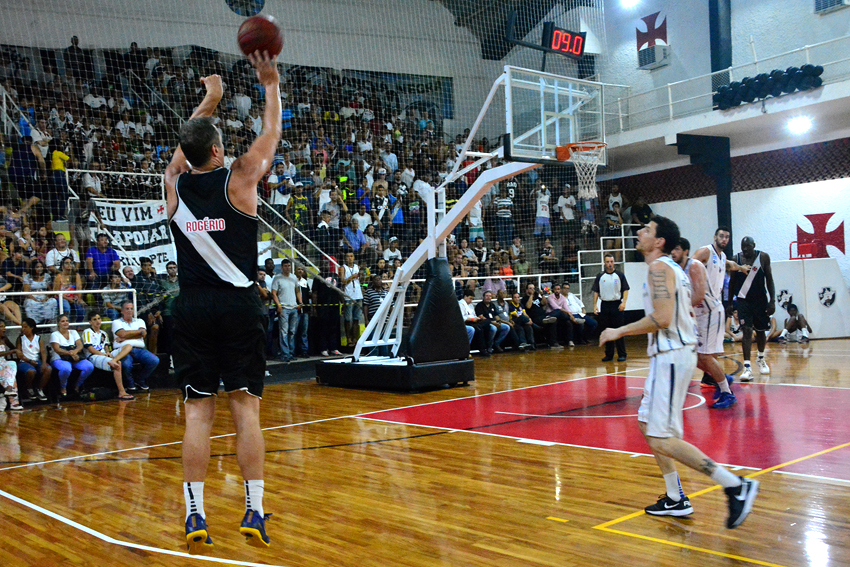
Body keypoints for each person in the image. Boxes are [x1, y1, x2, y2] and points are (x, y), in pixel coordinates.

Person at [164, 54, 280, 553]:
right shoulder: (239, 180)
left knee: (197, 415)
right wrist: (270, 83)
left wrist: (208, 101)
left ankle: (195, 515)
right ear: (217, 149)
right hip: (237, 306)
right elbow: (271, 133)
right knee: (246, 412)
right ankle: (253, 507)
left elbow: (179, 156)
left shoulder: (172, 187)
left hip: (190, 308)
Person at [600, 216, 759, 529]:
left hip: (672, 356)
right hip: (673, 355)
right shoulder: (673, 269)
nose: (639, 232)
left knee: (662, 438)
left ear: (659, 241)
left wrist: (618, 331)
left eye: (646, 230)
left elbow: (661, 317)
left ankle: (735, 485)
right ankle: (675, 497)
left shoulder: (659, 268)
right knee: (647, 423)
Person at [687, 229, 749, 406]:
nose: (724, 239)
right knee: (703, 354)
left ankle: (723, 388)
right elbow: (690, 265)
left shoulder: (721, 257)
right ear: (714, 237)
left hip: (709, 308)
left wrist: (741, 267)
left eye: (727, 237)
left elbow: (730, 264)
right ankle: (712, 377)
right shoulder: (706, 251)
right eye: (721, 236)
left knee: (703, 355)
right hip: (703, 307)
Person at [731, 237, 775, 382]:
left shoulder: (762, 257)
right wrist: (729, 302)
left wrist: (772, 301)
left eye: (748, 246)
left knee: (761, 331)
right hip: (743, 300)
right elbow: (732, 282)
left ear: (754, 246)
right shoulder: (736, 259)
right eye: (743, 246)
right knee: (747, 331)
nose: (745, 249)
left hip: (760, 300)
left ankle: (761, 358)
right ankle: (747, 367)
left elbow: (769, 279)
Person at [82, 311, 134, 400]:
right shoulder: (87, 332)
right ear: (90, 322)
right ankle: (121, 392)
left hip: (104, 354)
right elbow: (90, 348)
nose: (97, 321)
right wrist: (103, 354)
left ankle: (114, 359)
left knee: (128, 346)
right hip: (94, 356)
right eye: (94, 320)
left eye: (99, 319)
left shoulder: (104, 333)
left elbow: (106, 346)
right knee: (117, 365)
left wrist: (108, 352)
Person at [111, 301, 160, 393]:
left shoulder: (140, 321)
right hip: (124, 350)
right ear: (122, 311)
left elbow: (143, 334)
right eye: (127, 309)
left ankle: (140, 380)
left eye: (131, 309)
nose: (130, 311)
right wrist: (137, 333)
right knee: (126, 365)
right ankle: (130, 384)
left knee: (154, 360)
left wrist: (125, 336)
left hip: (139, 349)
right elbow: (122, 333)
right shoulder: (116, 322)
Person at [592, 254, 629, 362]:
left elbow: (625, 289)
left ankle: (622, 354)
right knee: (606, 331)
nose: (610, 264)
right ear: (604, 263)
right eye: (608, 262)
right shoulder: (600, 276)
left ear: (614, 262)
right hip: (605, 305)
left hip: (616, 304)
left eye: (611, 262)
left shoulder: (620, 275)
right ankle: (609, 354)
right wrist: (595, 305)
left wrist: (624, 302)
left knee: (618, 330)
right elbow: (596, 291)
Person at [49, 314, 95, 398]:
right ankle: (63, 387)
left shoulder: (73, 332)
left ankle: (77, 385)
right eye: (62, 321)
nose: (65, 323)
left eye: (67, 321)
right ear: (58, 323)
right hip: (60, 358)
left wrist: (75, 352)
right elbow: (57, 349)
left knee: (89, 366)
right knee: (66, 369)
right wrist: (70, 353)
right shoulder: (54, 334)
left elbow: (80, 345)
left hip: (74, 356)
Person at [270, 259, 301, 363]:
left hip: (293, 307)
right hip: (283, 307)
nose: (288, 267)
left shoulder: (293, 277)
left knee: (292, 331)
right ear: (282, 267)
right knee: (284, 331)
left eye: (289, 266)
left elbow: (297, 291)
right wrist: (278, 305)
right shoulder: (277, 278)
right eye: (286, 266)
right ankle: (285, 353)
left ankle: (291, 353)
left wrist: (300, 302)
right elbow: (273, 293)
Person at [16, 318, 51, 402]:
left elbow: (43, 352)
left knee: (48, 369)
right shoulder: (20, 339)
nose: (23, 329)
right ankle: (29, 388)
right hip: (24, 361)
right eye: (22, 327)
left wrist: (43, 363)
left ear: (31, 328)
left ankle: (40, 389)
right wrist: (29, 361)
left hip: (36, 360)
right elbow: (19, 354)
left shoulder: (38, 338)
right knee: (31, 371)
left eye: (25, 327)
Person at [340, 252, 364, 349]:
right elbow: (343, 281)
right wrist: (352, 277)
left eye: (351, 256)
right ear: (345, 258)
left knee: (356, 319)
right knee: (348, 319)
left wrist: (362, 276)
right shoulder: (343, 268)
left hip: (358, 295)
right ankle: (348, 338)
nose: (350, 258)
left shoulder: (357, 267)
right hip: (348, 295)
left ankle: (355, 338)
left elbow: (362, 282)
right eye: (348, 256)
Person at [23, 259, 58, 325]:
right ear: (33, 268)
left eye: (41, 267)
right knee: (30, 303)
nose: (40, 269)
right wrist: (35, 300)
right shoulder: (27, 277)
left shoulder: (47, 276)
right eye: (37, 267)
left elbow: (50, 290)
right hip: (32, 297)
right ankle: (34, 324)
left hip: (44, 297)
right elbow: (26, 291)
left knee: (53, 301)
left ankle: (48, 323)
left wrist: (46, 298)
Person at [459, 289, 490, 356]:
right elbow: (462, 317)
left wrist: (478, 318)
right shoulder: (460, 304)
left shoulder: (470, 305)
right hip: (467, 322)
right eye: (470, 298)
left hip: (474, 321)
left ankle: (486, 347)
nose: (471, 300)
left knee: (487, 323)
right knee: (479, 329)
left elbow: (474, 314)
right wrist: (472, 319)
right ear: (465, 297)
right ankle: (482, 349)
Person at [0, 321, 23, 411]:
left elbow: (14, 348)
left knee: (11, 366)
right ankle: (13, 402)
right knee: (10, 374)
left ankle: (9, 389)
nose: (4, 329)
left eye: (4, 326)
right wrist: (13, 352)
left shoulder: (4, 339)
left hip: (3, 364)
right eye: (1, 327)